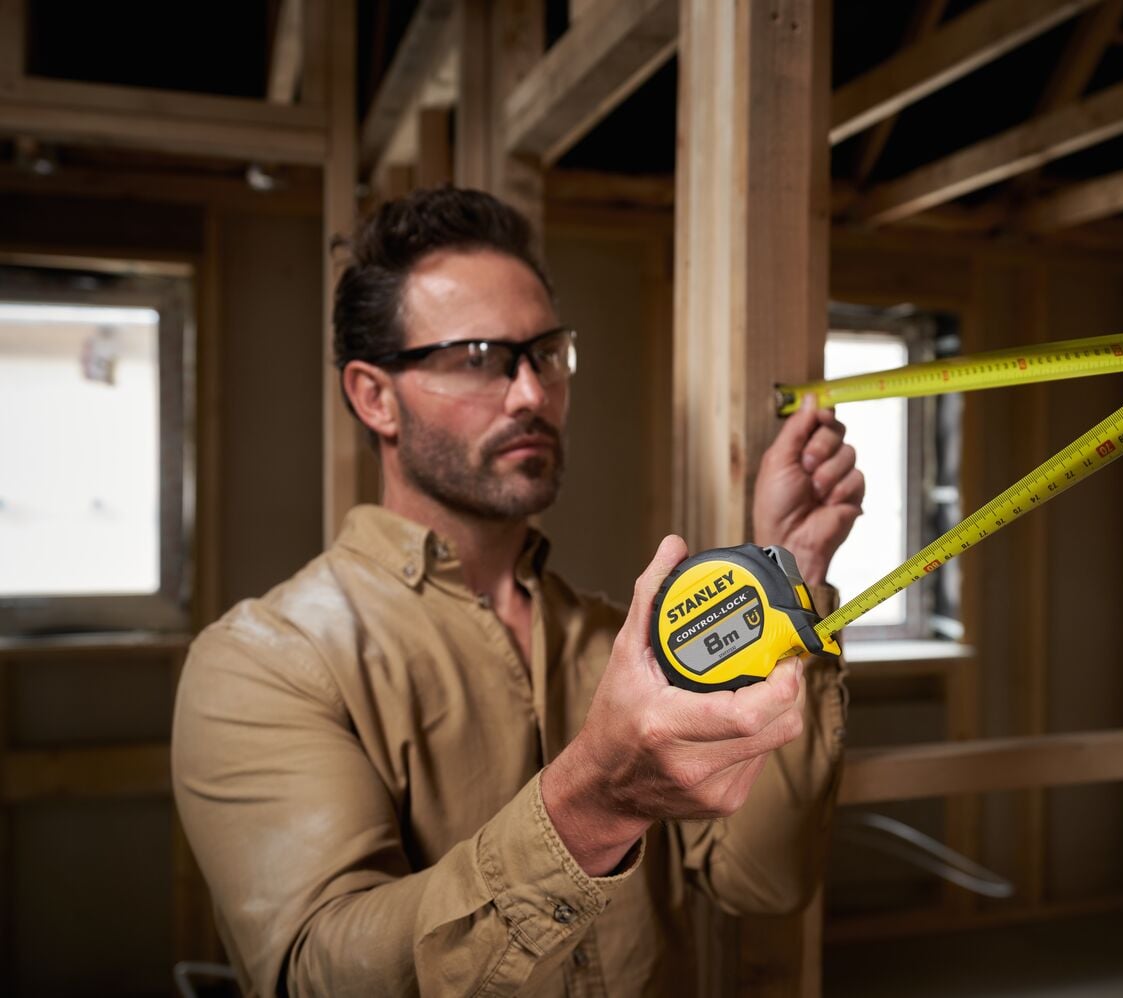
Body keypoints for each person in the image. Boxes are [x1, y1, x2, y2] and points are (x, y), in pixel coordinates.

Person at [171, 187, 865, 996]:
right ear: (373, 396)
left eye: (546, 354)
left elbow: (763, 884)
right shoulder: (265, 663)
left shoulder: (623, 643)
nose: (532, 394)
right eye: (479, 358)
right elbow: (315, 975)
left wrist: (794, 575)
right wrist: (592, 806)